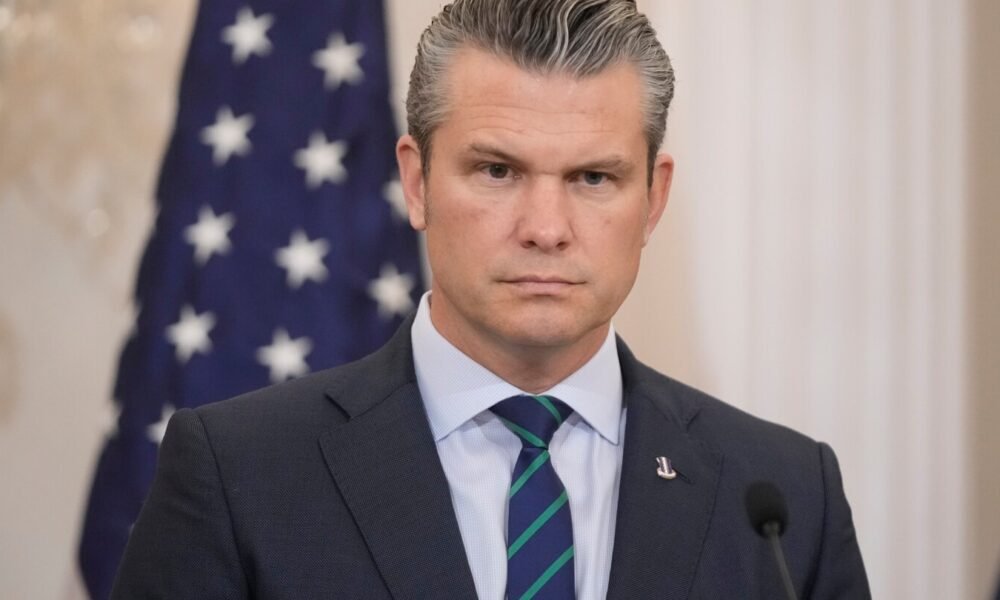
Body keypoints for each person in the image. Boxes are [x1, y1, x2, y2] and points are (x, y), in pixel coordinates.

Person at [112, 1, 870, 598]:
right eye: (498, 171)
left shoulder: (786, 499)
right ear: (416, 183)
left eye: (594, 178)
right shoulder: (237, 474)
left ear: (654, 197)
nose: (546, 229)